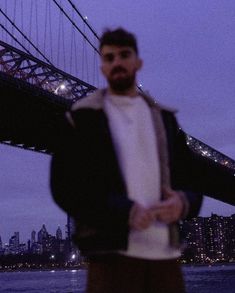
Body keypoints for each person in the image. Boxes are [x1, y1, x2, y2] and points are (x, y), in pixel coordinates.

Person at [50, 28, 235, 293]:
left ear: (138, 62)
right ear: (102, 66)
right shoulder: (82, 120)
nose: (117, 63)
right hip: (110, 259)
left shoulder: (166, 121)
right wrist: (122, 211)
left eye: (124, 55)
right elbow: (64, 187)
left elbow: (193, 180)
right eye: (109, 57)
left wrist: (182, 202)